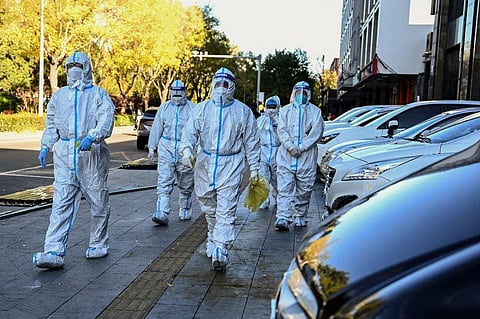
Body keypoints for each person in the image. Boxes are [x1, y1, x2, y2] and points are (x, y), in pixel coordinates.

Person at [33, 51, 115, 269]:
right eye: (70, 65)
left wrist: (93, 135)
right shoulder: (59, 96)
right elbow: (51, 122)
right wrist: (46, 144)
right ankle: (53, 249)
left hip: (91, 155)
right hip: (64, 154)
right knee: (61, 202)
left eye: (78, 64)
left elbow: (106, 119)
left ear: (86, 67)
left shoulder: (98, 94)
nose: (73, 68)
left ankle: (98, 243)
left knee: (98, 200)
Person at [179, 67, 261, 271]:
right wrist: (187, 151)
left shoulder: (243, 112)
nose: (222, 88)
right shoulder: (201, 109)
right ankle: (213, 237)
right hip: (205, 164)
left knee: (226, 208)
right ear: (212, 85)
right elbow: (189, 134)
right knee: (209, 206)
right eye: (218, 84)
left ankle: (221, 250)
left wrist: (256, 168)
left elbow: (252, 142)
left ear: (232, 86)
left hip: (231, 165)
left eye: (226, 84)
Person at [275, 81, 324, 230]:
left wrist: (302, 147)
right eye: (298, 93)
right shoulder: (285, 111)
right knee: (284, 187)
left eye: (304, 93)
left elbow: (317, 132)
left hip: (306, 157)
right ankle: (283, 217)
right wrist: (290, 146)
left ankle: (300, 214)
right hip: (286, 155)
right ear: (293, 93)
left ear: (308, 94)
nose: (301, 96)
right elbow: (282, 130)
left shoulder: (315, 112)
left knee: (305, 188)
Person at [147, 80, 196, 225]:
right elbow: (157, 127)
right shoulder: (164, 108)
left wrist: (197, 149)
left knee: (186, 181)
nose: (176, 95)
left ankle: (185, 208)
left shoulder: (193, 109)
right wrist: (152, 146)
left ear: (184, 92)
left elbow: (197, 130)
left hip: (185, 147)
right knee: (164, 179)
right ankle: (162, 211)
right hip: (166, 146)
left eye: (179, 91)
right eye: (173, 92)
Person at [256, 95, 281, 210]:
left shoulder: (281, 120)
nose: (271, 109)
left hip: (277, 152)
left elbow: (284, 134)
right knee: (263, 178)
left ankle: (279, 198)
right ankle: (264, 200)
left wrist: (276, 122)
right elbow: (254, 137)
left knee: (277, 178)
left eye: (273, 106)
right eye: (269, 106)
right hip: (263, 152)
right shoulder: (260, 121)